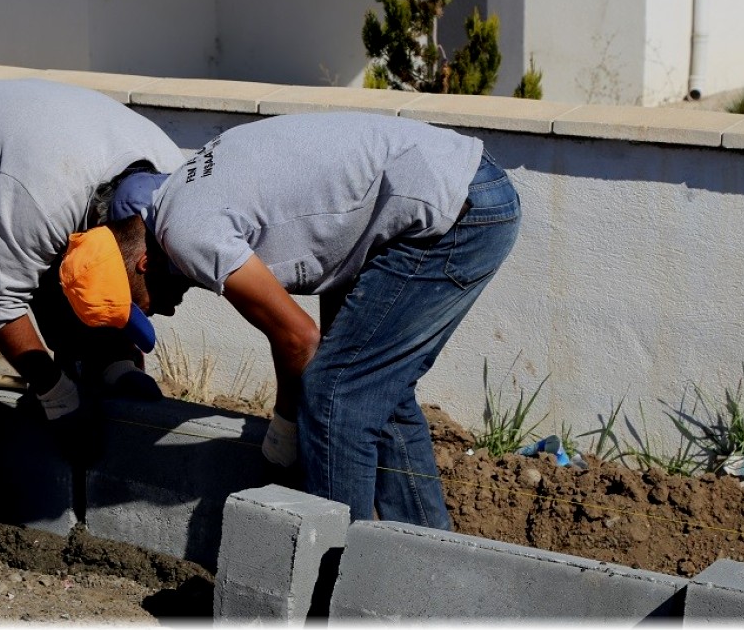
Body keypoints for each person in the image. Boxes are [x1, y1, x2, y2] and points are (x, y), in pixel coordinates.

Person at [57, 111, 521, 528]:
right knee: (376, 390)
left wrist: (285, 427)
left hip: (454, 213)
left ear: (141, 265)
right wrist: (287, 423)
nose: (158, 311)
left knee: (337, 392)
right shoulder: (179, 198)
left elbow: (300, 339)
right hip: (450, 193)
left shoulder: (188, 233)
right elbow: (290, 330)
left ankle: (333, 585)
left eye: (142, 304)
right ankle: (425, 557)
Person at [0, 78, 186, 566]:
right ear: (143, 262)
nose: (169, 309)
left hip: (28, 166)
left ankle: (104, 364)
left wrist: (114, 361)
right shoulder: (49, 194)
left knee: (75, 297)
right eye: (163, 298)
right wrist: (57, 394)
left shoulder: (177, 188)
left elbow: (94, 275)